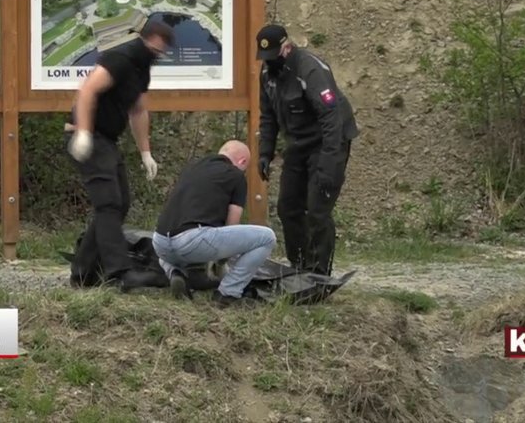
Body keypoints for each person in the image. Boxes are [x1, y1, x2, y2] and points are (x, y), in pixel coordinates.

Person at [66, 20, 175, 291]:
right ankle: (119, 273)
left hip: (107, 140)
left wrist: (145, 153)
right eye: (159, 48)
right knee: (109, 203)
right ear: (148, 39)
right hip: (90, 136)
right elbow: (88, 90)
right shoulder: (121, 57)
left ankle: (83, 273)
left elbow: (138, 110)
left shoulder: (142, 69)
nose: (160, 54)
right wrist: (83, 132)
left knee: (120, 203)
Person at [255, 24, 359, 277]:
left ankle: (319, 272)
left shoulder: (310, 70)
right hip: (298, 144)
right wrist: (265, 153)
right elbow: (268, 116)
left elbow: (331, 118)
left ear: (287, 47)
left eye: (273, 57)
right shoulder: (268, 74)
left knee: (317, 208)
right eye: (265, 59)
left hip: (327, 141)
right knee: (287, 206)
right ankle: (299, 264)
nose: (269, 63)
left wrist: (329, 164)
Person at [151, 140, 278, 307]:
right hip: (191, 241)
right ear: (242, 162)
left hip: (160, 243)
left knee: (175, 244)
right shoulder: (235, 175)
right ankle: (228, 293)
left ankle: (175, 273)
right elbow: (232, 225)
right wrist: (221, 262)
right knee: (267, 237)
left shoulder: (192, 168)